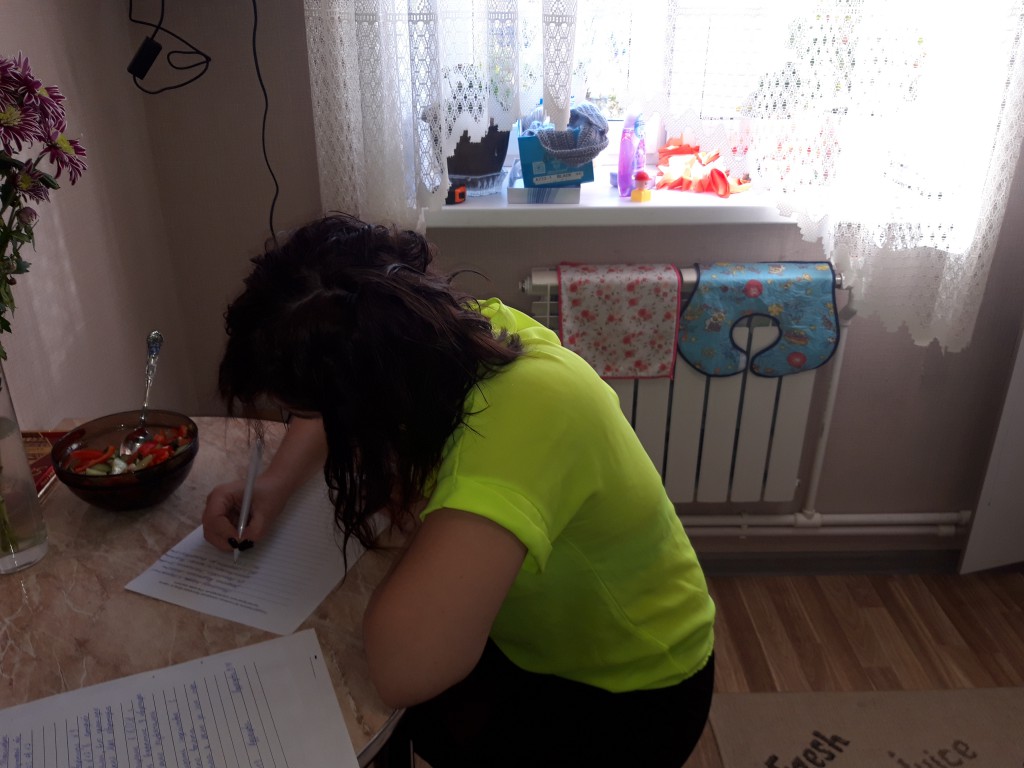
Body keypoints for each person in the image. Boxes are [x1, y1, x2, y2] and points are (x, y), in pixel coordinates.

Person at [203, 213, 716, 767]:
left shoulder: (524, 421)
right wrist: (274, 485)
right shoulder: (445, 333)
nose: (307, 420)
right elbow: (338, 391)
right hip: (533, 641)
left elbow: (403, 670)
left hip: (631, 690)